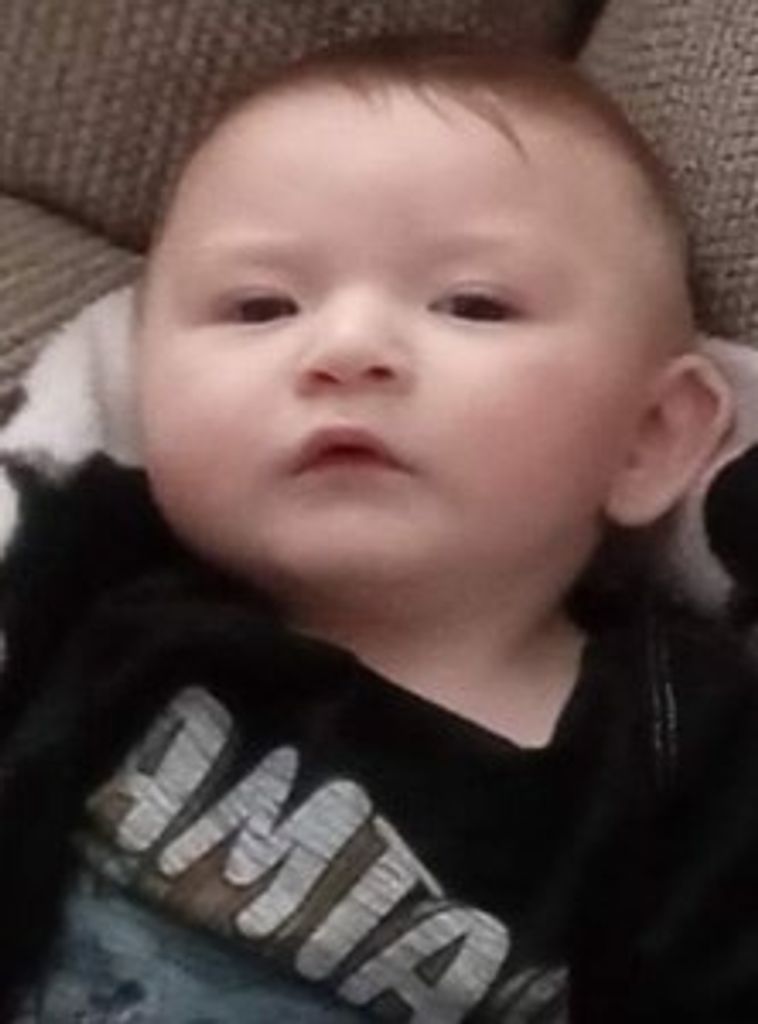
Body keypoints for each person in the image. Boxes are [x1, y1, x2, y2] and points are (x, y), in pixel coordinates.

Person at [1, 33, 757, 1024]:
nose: (346, 347)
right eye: (259, 305)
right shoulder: (93, 608)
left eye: (472, 304)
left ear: (649, 438)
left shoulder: (691, 756)